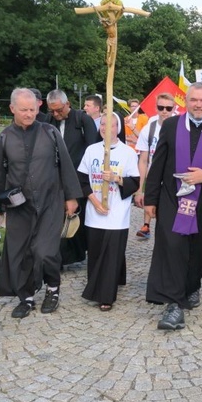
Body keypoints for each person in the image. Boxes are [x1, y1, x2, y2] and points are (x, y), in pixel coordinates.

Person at [144, 83, 202, 330]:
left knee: (199, 249)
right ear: (186, 101)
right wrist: (150, 200)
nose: (198, 105)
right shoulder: (172, 126)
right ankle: (174, 304)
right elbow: (158, 164)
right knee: (173, 247)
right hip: (172, 199)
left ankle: (193, 285)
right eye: (194, 100)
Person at [0, 88, 82, 319]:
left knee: (44, 251)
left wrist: (71, 197)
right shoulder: (4, 138)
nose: (29, 114)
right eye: (24, 110)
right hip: (19, 206)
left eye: (32, 109)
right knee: (19, 253)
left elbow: (66, 165)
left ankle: (52, 288)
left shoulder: (50, 132)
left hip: (50, 201)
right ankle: (26, 297)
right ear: (12, 109)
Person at [77, 113, 139, 310]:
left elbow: (135, 182)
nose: (105, 128)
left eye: (111, 125)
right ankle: (105, 282)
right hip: (95, 211)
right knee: (95, 252)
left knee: (112, 253)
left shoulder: (127, 152)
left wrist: (116, 179)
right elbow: (82, 180)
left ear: (118, 128)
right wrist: (94, 202)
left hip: (117, 213)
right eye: (102, 124)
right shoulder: (91, 150)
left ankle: (105, 296)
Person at [46, 89, 98, 267]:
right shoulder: (48, 120)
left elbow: (92, 149)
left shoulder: (83, 120)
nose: (56, 114)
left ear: (67, 104)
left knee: (75, 217)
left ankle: (75, 254)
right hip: (54, 178)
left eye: (59, 110)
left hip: (77, 178)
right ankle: (58, 259)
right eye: (52, 110)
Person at [134, 93, 177, 240]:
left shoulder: (180, 127)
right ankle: (146, 225)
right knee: (150, 201)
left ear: (174, 108)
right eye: (161, 107)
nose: (164, 111)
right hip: (153, 175)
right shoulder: (149, 128)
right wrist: (139, 189)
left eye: (168, 108)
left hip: (173, 178)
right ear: (156, 108)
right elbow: (143, 160)